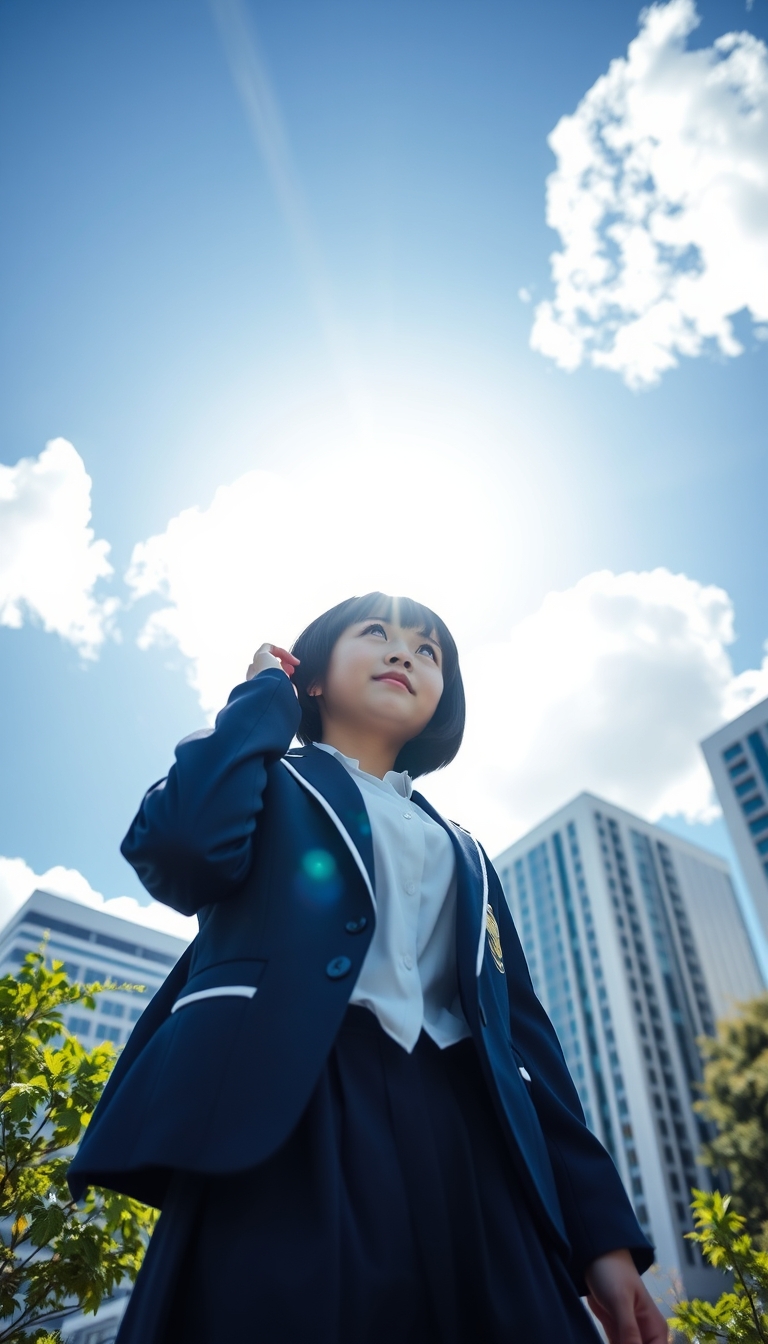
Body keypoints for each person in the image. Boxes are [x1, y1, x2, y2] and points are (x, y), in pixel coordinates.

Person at [68, 593, 669, 1344]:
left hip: (471, 1142)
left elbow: (523, 1044)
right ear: (311, 678)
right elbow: (182, 849)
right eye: (376, 634)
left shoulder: (468, 851)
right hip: (294, 1115)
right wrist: (261, 698)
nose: (403, 654)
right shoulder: (265, 777)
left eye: (428, 651)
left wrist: (600, 1236)